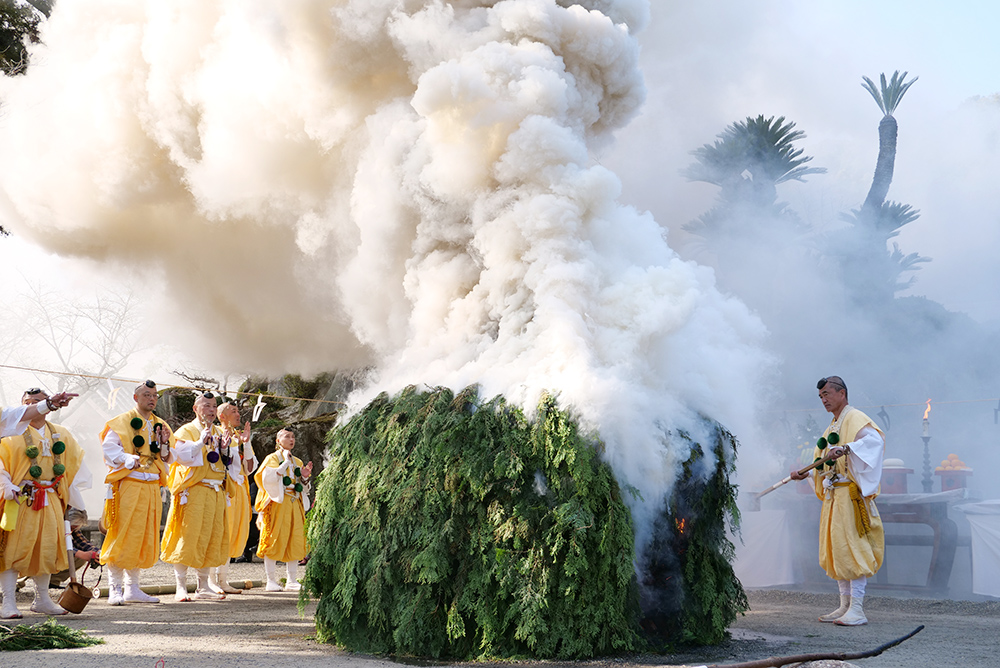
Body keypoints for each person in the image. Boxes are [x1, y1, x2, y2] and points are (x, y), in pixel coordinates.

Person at [791, 376, 885, 626]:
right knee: (838, 550)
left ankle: (858, 609)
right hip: (834, 497)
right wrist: (806, 473)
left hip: (851, 496)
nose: (824, 400)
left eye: (827, 394)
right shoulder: (831, 426)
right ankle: (844, 606)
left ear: (841, 393)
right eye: (821, 396)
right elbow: (823, 462)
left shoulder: (855, 418)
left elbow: (874, 443)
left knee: (854, 548)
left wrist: (847, 449)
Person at [0, 388, 91, 618]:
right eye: (27, 402)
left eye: (37, 402)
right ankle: (8, 602)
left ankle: (42, 599)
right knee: (13, 550)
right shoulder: (9, 431)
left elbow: (73, 470)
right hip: (21, 496)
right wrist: (6, 486)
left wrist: (76, 504)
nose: (32, 405)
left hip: (51, 496)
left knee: (47, 548)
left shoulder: (62, 433)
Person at [99, 379, 175, 605]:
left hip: (152, 486)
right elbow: (109, 448)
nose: (151, 399)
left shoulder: (162, 424)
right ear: (136, 398)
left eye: (154, 396)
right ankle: (114, 587)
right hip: (129, 483)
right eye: (146, 395)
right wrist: (126, 458)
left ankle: (133, 588)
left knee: (142, 535)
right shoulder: (121, 421)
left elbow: (168, 457)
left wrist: (164, 444)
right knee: (122, 533)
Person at [161, 392, 242, 601]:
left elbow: (229, 464)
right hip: (194, 490)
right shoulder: (186, 430)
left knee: (211, 537)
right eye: (206, 406)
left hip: (216, 490)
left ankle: (204, 585)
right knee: (187, 536)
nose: (211, 410)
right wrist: (199, 442)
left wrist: (225, 449)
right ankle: (180, 586)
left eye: (214, 406)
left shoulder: (219, 431)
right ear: (196, 409)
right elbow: (178, 456)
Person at [254, 428, 311, 591]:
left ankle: (292, 579)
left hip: (294, 502)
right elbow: (267, 479)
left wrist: (305, 477)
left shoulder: (298, 461)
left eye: (293, 437)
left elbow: (303, 487)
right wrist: (285, 462)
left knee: (295, 538)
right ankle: (271, 580)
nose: (291, 439)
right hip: (276, 503)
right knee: (273, 538)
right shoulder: (272, 458)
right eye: (287, 437)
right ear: (278, 441)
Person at [213, 401, 256, 593]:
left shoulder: (240, 437)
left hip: (238, 489)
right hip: (221, 488)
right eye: (234, 411)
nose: (238, 414)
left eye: (238, 411)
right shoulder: (214, 432)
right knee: (219, 532)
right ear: (221, 416)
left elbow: (249, 468)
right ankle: (210, 581)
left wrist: (245, 443)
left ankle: (222, 580)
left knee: (232, 533)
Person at [49, 506, 101, 588]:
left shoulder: (71, 525)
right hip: (44, 554)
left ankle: (53, 581)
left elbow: (81, 541)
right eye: (72, 527)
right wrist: (80, 554)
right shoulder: (52, 524)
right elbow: (55, 545)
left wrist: (98, 552)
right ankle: (21, 580)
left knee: (80, 557)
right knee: (79, 555)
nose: (72, 530)